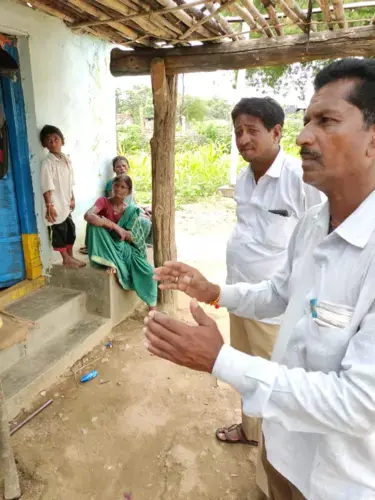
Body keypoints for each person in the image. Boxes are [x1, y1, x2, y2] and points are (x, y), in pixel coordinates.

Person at [145, 58, 375, 499]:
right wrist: (214, 291)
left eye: (326, 121)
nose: (304, 136)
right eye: (307, 121)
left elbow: (359, 404)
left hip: (338, 481)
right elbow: (280, 292)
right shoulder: (313, 224)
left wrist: (220, 360)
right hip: (282, 445)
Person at [219, 97, 322, 455]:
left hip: (276, 308)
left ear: (277, 132)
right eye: (238, 132)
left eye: (252, 130)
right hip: (238, 295)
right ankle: (250, 431)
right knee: (246, 373)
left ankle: (277, 455)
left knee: (275, 380)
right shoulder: (245, 178)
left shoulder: (300, 178)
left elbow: (323, 235)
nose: (243, 139)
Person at [84, 174, 157, 309]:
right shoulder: (103, 201)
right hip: (106, 243)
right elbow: (88, 215)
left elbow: (129, 237)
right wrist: (113, 226)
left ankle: (153, 309)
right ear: (112, 187)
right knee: (94, 224)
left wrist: (126, 233)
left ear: (128, 192)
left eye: (123, 187)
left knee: (149, 272)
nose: (118, 189)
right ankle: (109, 261)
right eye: (116, 185)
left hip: (124, 247)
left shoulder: (130, 210)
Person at [40, 125, 85, 268]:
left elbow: (70, 181)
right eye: (49, 140)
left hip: (66, 202)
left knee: (70, 229)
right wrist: (49, 206)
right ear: (44, 144)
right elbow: (46, 187)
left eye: (56, 139)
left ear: (62, 141)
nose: (53, 142)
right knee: (58, 231)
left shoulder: (66, 159)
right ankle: (65, 258)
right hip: (54, 204)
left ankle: (70, 256)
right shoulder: (47, 163)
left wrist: (73, 198)